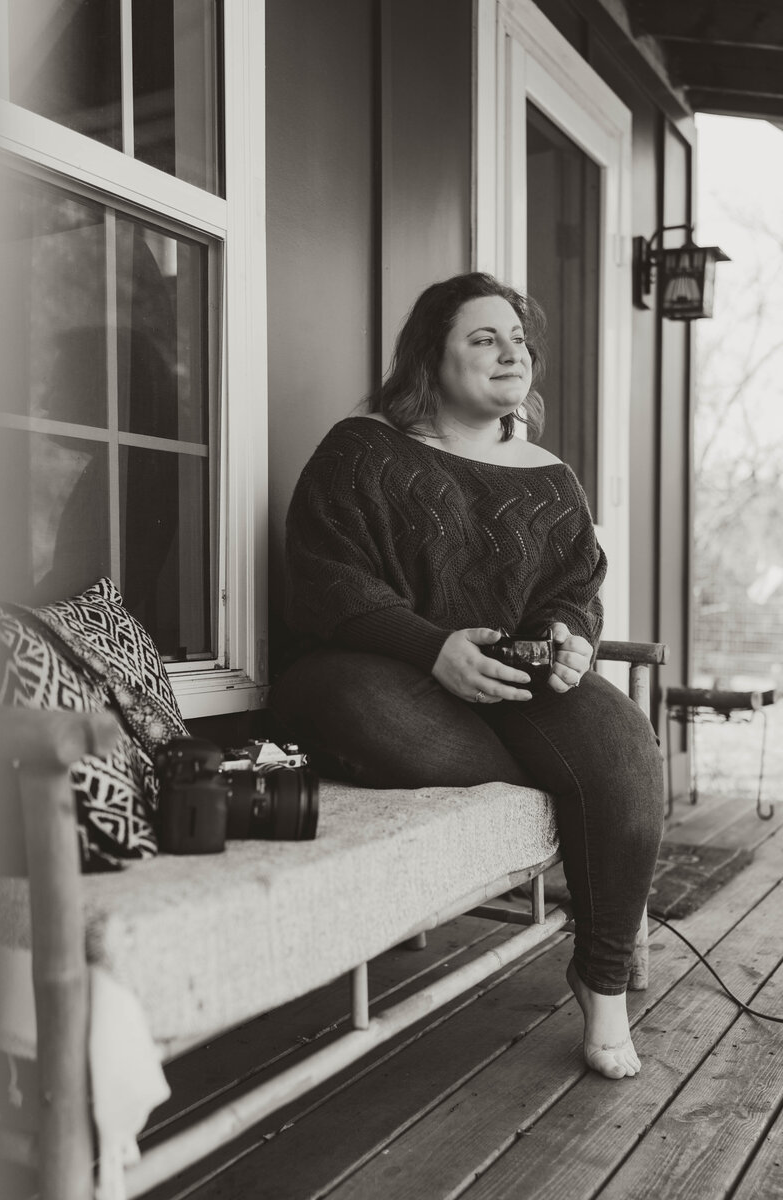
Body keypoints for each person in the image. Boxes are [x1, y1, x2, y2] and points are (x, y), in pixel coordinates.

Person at [271, 271, 665, 1080]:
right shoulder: (363, 448)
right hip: (382, 672)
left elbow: (572, 591)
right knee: (360, 702)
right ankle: (573, 783)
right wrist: (432, 649)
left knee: (624, 743)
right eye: (483, 338)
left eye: (517, 339)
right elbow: (326, 583)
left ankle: (602, 980)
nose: (509, 351)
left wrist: (570, 640)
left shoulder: (551, 477)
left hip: (512, 689)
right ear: (430, 357)